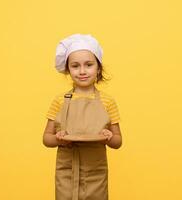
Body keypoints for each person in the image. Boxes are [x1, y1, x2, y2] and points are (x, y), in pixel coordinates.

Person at [42, 33, 122, 200]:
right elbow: (46, 138)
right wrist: (59, 138)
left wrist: (108, 137)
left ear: (98, 68)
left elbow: (118, 142)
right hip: (67, 171)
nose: (82, 71)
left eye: (89, 65)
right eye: (75, 66)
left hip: (96, 174)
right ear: (68, 70)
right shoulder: (60, 101)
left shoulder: (108, 101)